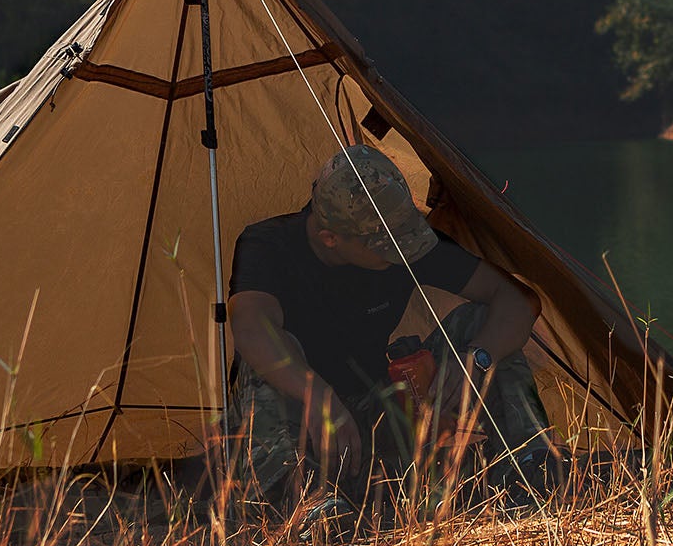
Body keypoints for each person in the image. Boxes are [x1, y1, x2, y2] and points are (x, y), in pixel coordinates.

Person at [226, 143, 560, 516]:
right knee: (269, 357)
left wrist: (475, 359)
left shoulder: (406, 241)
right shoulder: (269, 245)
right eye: (387, 247)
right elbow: (251, 326)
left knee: (478, 324)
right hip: (303, 434)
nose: (402, 253)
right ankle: (301, 502)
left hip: (374, 420)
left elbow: (518, 301)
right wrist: (317, 395)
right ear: (330, 238)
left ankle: (532, 470)